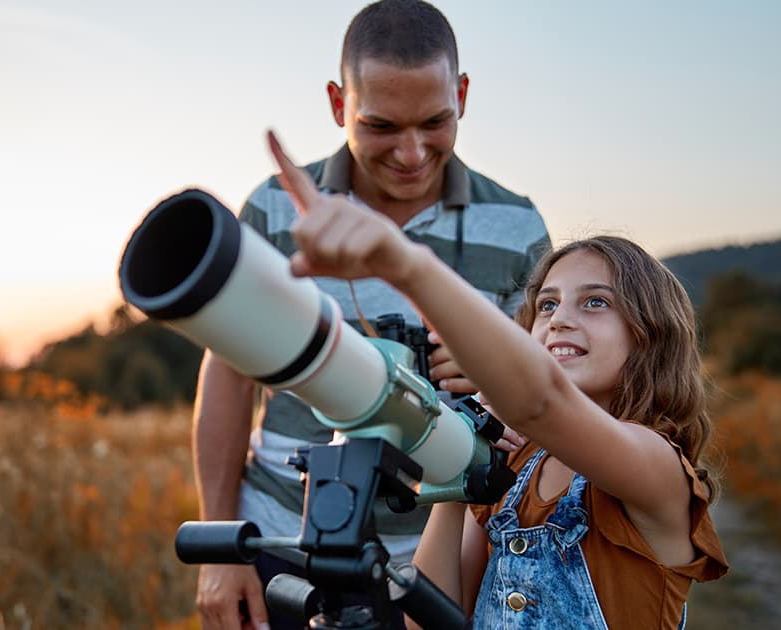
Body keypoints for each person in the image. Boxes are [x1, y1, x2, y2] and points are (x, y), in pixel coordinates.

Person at [267, 130, 728, 628]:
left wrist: (405, 266)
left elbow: (543, 404)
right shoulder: (516, 467)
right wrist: (461, 467)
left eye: (596, 301)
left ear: (649, 336)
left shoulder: (657, 466)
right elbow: (432, 619)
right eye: (547, 304)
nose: (559, 319)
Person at [192, 2, 552, 628]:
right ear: (338, 104)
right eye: (381, 125)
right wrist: (223, 548)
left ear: (462, 95)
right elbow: (227, 376)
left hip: (451, 557)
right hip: (283, 538)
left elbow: (555, 399)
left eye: (435, 121)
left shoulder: (519, 226)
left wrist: (495, 374)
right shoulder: (277, 209)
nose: (412, 153)